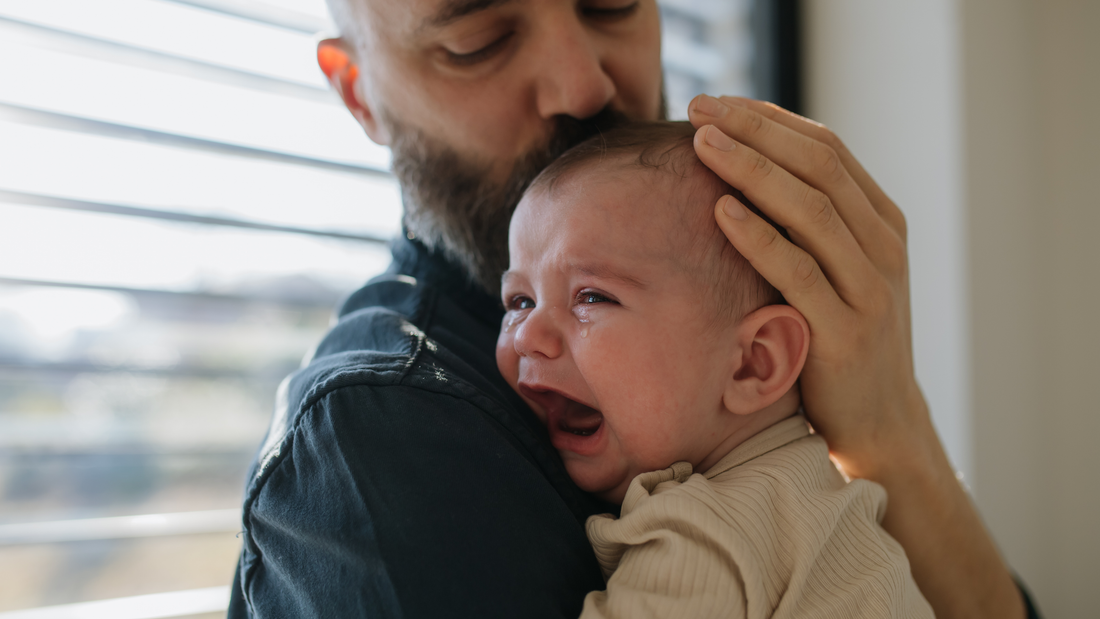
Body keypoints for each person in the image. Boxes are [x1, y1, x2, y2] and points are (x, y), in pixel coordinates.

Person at [229, 1, 1037, 617]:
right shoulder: (387, 430)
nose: (584, 84)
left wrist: (890, 429)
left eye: (613, 1)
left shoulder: (762, 415)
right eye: (479, 39)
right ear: (359, 93)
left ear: (759, 359)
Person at [496, 120, 934, 618]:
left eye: (592, 297)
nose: (529, 334)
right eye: (519, 300)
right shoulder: (821, 501)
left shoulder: (700, 533)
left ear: (753, 363)